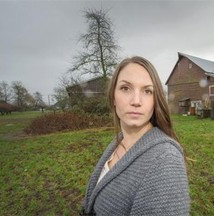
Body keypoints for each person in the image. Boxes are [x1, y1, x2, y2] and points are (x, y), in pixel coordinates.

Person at [81, 56, 190, 215]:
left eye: (147, 91)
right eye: (126, 88)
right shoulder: (118, 142)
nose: (136, 101)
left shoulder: (165, 159)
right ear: (113, 97)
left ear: (155, 100)